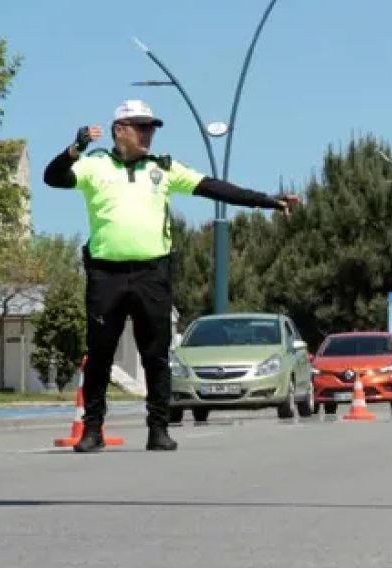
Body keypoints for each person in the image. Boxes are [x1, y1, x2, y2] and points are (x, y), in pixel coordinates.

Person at [43, 99, 298, 453]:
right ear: (120, 130)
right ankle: (92, 430)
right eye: (141, 127)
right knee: (100, 354)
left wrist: (268, 201)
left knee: (156, 355)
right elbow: (53, 178)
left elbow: (214, 188)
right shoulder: (93, 164)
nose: (148, 134)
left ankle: (158, 428)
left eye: (151, 127)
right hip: (107, 275)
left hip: (152, 273)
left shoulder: (162, 168)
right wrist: (75, 147)